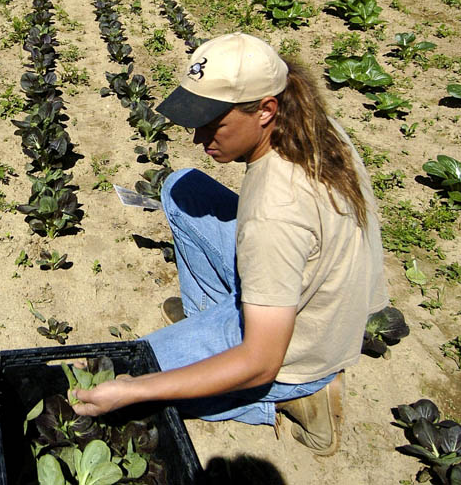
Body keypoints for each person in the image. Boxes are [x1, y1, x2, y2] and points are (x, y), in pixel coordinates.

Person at [73, 32, 387, 457]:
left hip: (299, 352)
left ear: (265, 110)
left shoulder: (275, 211)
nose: (200, 138)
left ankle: (303, 397)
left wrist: (138, 388)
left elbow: (260, 362)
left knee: (127, 381)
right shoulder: (308, 119)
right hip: (324, 295)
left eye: (214, 123)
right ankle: (211, 322)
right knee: (181, 188)